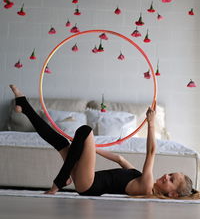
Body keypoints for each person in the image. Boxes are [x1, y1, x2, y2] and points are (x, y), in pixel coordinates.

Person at [9, 85, 199, 199]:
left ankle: (59, 183)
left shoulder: (147, 186)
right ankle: (24, 106)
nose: (166, 176)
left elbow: (151, 151)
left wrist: (150, 123)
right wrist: (91, 148)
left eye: (171, 180)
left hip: (88, 184)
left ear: (172, 194)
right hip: (86, 181)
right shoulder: (141, 178)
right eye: (171, 174)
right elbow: (119, 158)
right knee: (59, 141)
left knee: (86, 130)